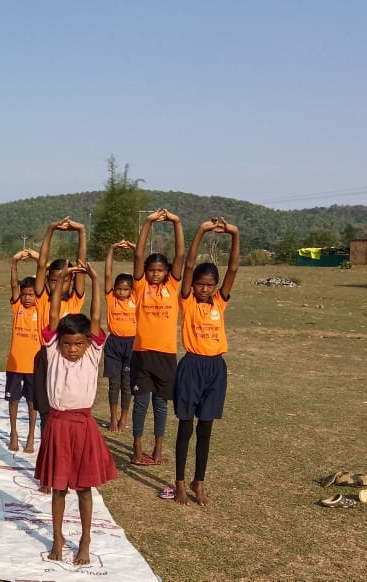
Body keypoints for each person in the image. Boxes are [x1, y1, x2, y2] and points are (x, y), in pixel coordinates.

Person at [33, 261, 117, 565]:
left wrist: (94, 278)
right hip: (57, 424)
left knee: (83, 489)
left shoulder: (93, 353)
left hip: (82, 426)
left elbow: (95, 317)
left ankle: (85, 541)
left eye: (78, 344)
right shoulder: (53, 349)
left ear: (88, 343)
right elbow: (54, 314)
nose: (72, 349)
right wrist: (61, 281)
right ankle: (57, 538)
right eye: (67, 344)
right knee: (58, 489)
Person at [173, 218, 239, 507]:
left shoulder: (219, 302)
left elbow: (233, 269)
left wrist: (234, 234)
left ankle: (198, 482)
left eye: (209, 285)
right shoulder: (187, 302)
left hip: (215, 369)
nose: (204, 289)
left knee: (206, 429)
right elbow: (188, 266)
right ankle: (179, 482)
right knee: (186, 427)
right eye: (200, 284)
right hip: (191, 366)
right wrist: (200, 231)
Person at [130, 209, 186, 465]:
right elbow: (138, 253)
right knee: (141, 404)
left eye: (160, 270)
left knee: (161, 405)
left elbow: (181, 255)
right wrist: (148, 221)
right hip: (142, 353)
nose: (155, 273)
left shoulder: (172, 286)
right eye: (151, 270)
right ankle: (137, 448)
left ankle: (158, 450)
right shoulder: (141, 286)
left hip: (166, 355)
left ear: (167, 272)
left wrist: (176, 222)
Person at [32, 216, 87, 434]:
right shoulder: (41, 298)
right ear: (47, 281)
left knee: (67, 412)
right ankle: (47, 449)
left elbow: (81, 265)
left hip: (69, 360)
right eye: (54, 280)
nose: (59, 284)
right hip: (46, 359)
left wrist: (81, 231)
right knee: (46, 414)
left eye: (64, 279)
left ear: (71, 281)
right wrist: (51, 229)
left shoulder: (75, 300)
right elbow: (41, 263)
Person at [6, 249, 40, 453]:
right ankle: (13, 433)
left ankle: (31, 436)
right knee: (13, 399)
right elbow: (13, 284)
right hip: (15, 363)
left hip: (34, 365)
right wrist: (14, 262)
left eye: (31, 294)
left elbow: (45, 280)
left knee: (32, 402)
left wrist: (38, 259)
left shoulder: (41, 308)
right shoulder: (17, 306)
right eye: (24, 294)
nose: (27, 298)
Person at [103, 240, 137, 434]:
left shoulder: (136, 298)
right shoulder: (111, 298)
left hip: (132, 344)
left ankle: (124, 418)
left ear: (132, 290)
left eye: (126, 289)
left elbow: (139, 271)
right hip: (114, 344)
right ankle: (113, 419)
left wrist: (135, 250)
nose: (122, 292)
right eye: (119, 289)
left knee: (127, 383)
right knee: (113, 384)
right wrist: (112, 249)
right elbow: (108, 273)